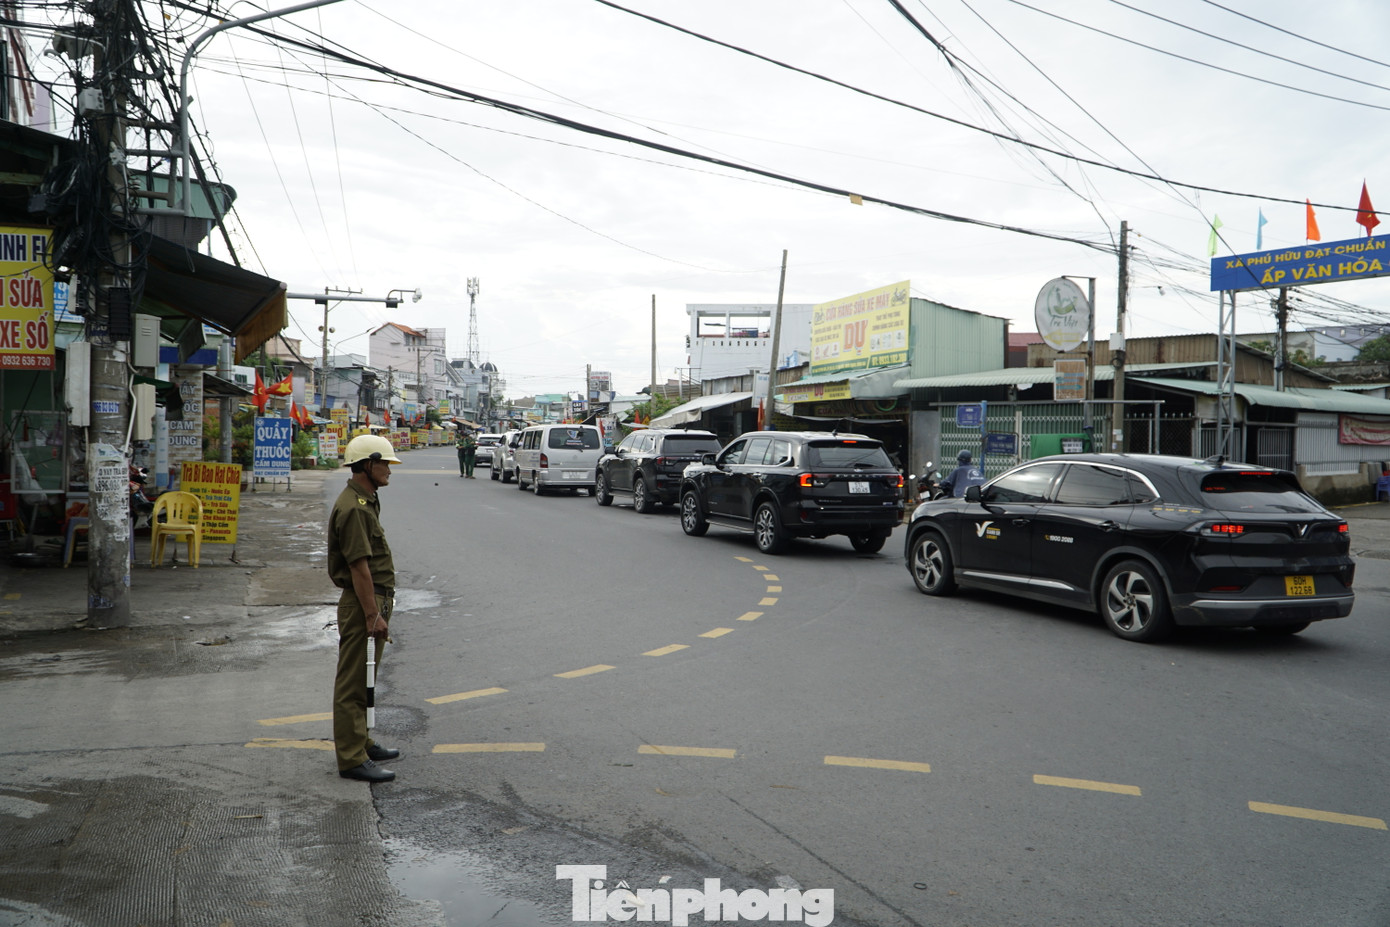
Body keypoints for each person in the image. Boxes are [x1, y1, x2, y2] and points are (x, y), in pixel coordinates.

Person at [328, 434, 403, 783]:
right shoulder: (354, 507)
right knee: (354, 683)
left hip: (372, 599)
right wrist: (373, 614)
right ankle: (351, 758)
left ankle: (362, 742)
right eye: (385, 463)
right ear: (367, 465)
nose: (389, 470)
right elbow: (359, 568)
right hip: (363, 603)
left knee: (365, 678)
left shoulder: (365, 499)